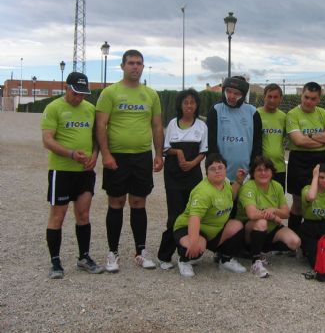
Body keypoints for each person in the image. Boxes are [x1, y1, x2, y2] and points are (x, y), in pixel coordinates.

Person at [96, 49, 164, 272]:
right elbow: (100, 125)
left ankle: (140, 251)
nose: (135, 67)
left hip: (142, 156)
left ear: (143, 67)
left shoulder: (151, 95)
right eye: (131, 63)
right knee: (116, 203)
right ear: (123, 66)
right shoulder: (110, 93)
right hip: (117, 156)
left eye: (139, 63)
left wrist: (158, 153)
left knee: (138, 202)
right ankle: (113, 253)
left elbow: (156, 125)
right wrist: (105, 154)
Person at [41, 72, 104, 279]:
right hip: (62, 170)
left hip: (85, 171)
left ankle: (84, 257)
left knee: (83, 214)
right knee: (58, 216)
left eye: (83, 95)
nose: (79, 98)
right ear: (67, 88)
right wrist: (70, 154)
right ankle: (55, 261)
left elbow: (97, 137)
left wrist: (95, 155)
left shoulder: (89, 109)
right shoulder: (54, 108)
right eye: (76, 94)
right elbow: (47, 140)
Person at [173, 153, 247, 277]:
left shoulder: (226, 183)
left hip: (213, 232)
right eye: (212, 169)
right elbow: (194, 218)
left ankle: (225, 259)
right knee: (195, 247)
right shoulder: (203, 191)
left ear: (225, 169)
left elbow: (231, 196)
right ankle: (184, 261)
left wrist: (239, 182)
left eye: (220, 167)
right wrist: (193, 241)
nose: (217, 171)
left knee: (237, 225)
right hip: (188, 227)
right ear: (207, 172)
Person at [157, 89, 208, 270]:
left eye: (192, 103)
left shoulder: (202, 126)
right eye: (185, 102)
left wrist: (192, 163)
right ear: (180, 105)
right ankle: (164, 256)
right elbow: (165, 148)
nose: (189, 106)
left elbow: (204, 151)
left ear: (196, 106)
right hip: (173, 175)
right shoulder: (172, 124)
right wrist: (177, 152)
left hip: (193, 175)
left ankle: (186, 255)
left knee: (193, 214)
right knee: (175, 216)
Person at [236, 156, 301, 277]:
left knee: (295, 242)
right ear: (253, 173)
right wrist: (273, 216)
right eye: (259, 170)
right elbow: (252, 214)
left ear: (272, 172)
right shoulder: (248, 187)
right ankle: (255, 261)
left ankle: (262, 251)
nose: (263, 173)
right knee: (261, 222)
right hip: (249, 230)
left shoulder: (276, 186)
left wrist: (274, 210)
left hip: (270, 228)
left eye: (267, 170)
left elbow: (286, 213)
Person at [286, 82, 325, 233]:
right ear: (301, 95)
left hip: (320, 161)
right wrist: (322, 141)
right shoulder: (292, 114)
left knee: (321, 200)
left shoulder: (324, 113)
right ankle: (293, 241)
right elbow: (298, 141)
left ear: (319, 99)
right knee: (298, 204)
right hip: (299, 161)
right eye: (306, 97)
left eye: (313, 99)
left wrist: (309, 136)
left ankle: (317, 237)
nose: (308, 101)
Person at [207, 75, 262, 183]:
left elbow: (257, 144)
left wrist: (253, 170)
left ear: (243, 94)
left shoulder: (253, 112)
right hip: (221, 175)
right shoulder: (215, 110)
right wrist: (216, 168)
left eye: (236, 93)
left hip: (245, 175)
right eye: (228, 91)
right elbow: (210, 143)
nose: (231, 96)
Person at [257, 83, 287, 189]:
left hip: (279, 168)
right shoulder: (255, 114)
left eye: (275, 97)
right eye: (269, 96)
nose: (272, 100)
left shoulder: (284, 117)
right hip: (260, 168)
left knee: (278, 202)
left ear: (280, 99)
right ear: (264, 97)